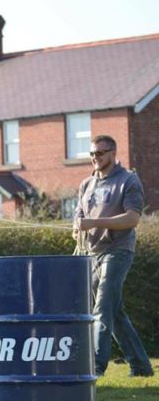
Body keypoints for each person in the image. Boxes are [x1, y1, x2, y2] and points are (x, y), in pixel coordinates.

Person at [73, 134, 154, 377]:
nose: (94, 158)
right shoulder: (86, 185)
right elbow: (78, 219)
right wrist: (78, 227)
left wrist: (93, 222)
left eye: (99, 153)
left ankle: (96, 365)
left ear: (112, 153)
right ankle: (140, 365)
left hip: (118, 250)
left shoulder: (128, 180)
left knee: (102, 307)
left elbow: (133, 218)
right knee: (114, 311)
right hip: (92, 252)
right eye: (91, 154)